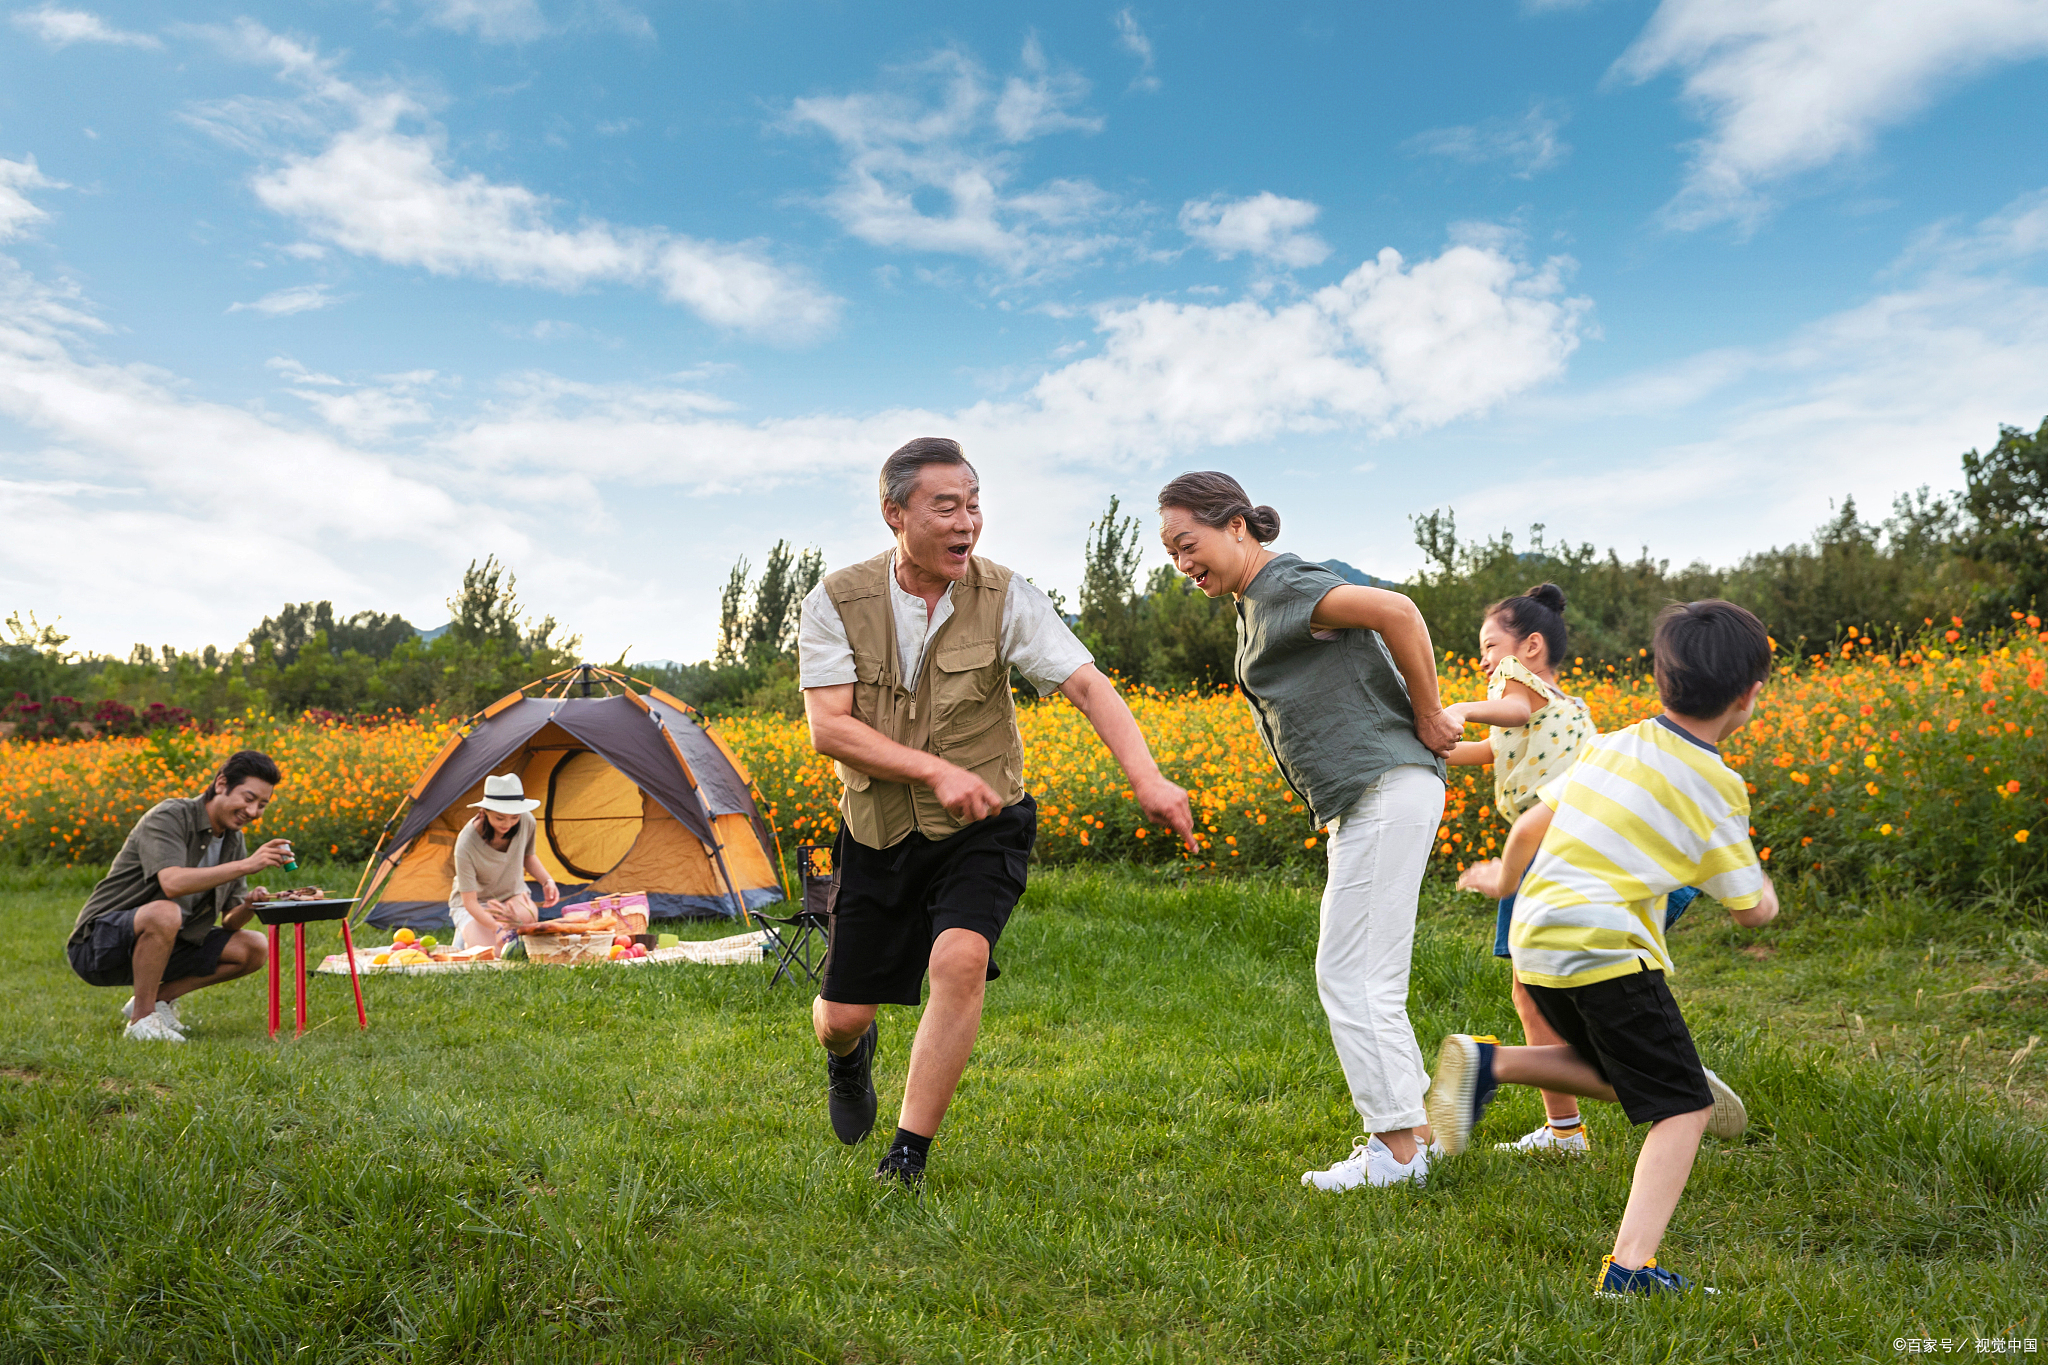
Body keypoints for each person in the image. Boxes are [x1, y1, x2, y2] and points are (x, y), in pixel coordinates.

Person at [800, 436, 1198, 1188]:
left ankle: (908, 1155)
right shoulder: (836, 600)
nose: (966, 522)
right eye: (946, 506)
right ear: (895, 513)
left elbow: (1087, 684)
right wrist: (931, 769)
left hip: (984, 822)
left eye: (974, 504)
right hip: (879, 831)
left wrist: (1147, 777)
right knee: (842, 1014)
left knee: (961, 957)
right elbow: (830, 727)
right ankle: (849, 1060)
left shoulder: (1007, 595)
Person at [1427, 599, 1780, 1297]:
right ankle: (1630, 1270)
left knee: (1623, 1070)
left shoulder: (1615, 742)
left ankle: (1490, 1064)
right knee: (1682, 1106)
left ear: (1660, 678)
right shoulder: (1716, 786)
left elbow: (1533, 820)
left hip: (1538, 932)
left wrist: (1503, 877)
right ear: (1749, 696)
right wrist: (1763, 893)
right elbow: (1750, 910)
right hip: (1605, 945)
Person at [1157, 471, 1459, 1192]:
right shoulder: (1256, 600)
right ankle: (1414, 1137)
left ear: (1236, 525)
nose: (1181, 563)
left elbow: (1398, 609)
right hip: (1372, 795)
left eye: (1187, 542)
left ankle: (1396, 1152)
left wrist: (1428, 712)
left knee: (1351, 975)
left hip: (1381, 788)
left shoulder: (1285, 584)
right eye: (1171, 554)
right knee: (1368, 973)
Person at [1442, 583, 1599, 1153]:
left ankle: (1571, 1123)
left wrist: (1456, 708)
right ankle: (1565, 1127)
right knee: (1533, 992)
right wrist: (1426, 743)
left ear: (1531, 646)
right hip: (1571, 857)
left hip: (1542, 859)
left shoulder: (1524, 694)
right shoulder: (1562, 707)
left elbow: (1509, 709)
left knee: (1535, 993)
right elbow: (1485, 749)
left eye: (1490, 646)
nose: (1483, 659)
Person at [66, 749, 294, 1042]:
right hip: (99, 946)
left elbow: (230, 923)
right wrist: (247, 865)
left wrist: (249, 904)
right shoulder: (170, 816)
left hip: (167, 945)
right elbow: (172, 883)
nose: (253, 812)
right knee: (165, 911)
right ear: (222, 783)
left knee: (254, 946)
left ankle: (155, 1001)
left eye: (262, 805)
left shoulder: (234, 841)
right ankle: (141, 1021)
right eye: (248, 799)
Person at [450, 773, 559, 952]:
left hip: (512, 895)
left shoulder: (527, 821)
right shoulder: (466, 842)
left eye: (514, 817)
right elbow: (470, 902)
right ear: (485, 811)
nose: (507, 823)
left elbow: (528, 856)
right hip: (477, 903)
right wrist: (498, 928)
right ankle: (465, 934)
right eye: (500, 818)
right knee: (491, 953)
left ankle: (477, 932)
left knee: (527, 921)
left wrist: (547, 881)